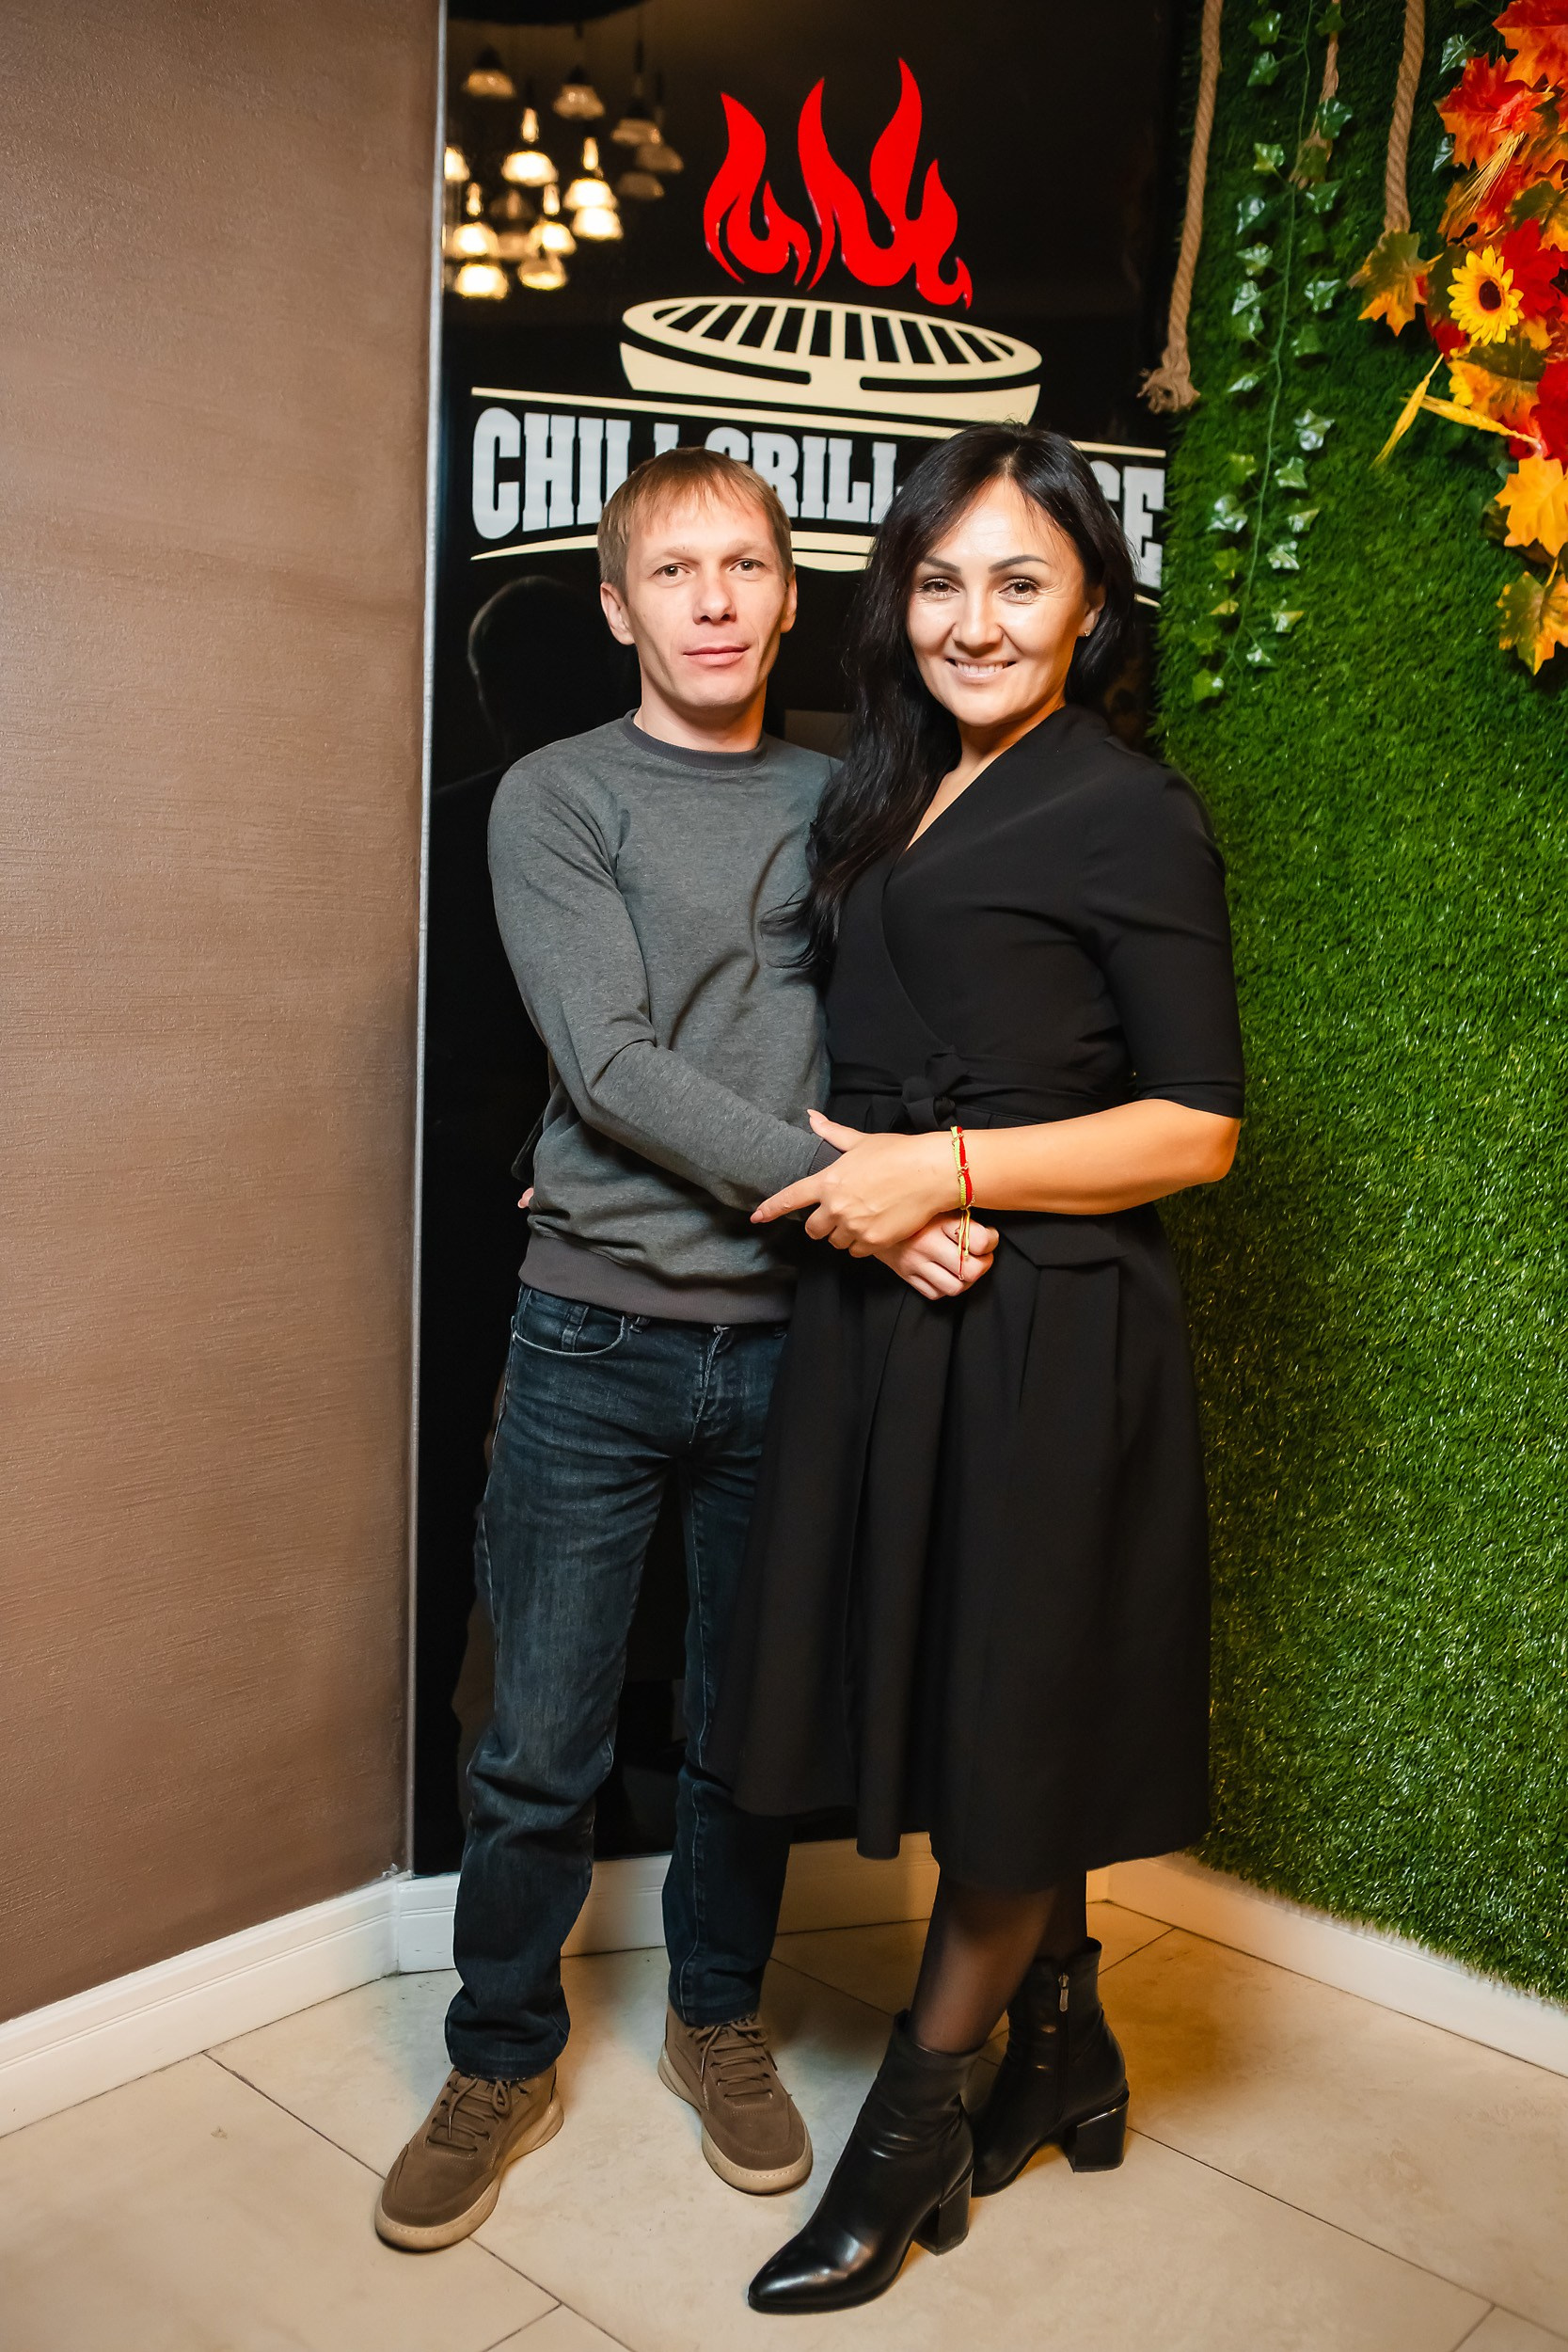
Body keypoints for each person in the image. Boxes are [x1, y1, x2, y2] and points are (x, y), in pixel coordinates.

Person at [376, 445, 996, 2253]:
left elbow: (916, 1030)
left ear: (791, 597)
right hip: (593, 1332)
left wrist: (937, 1171)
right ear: (618, 607)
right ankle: (499, 2055)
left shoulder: (860, 801)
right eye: (674, 571)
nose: (713, 601)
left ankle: (715, 2019)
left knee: (745, 1730)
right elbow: (613, 1065)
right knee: (539, 1742)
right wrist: (863, 1194)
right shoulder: (558, 796)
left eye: (745, 567)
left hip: (801, 1347)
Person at [710, 423, 1245, 2313]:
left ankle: (911, 2134)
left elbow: (1196, 1127)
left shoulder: (1128, 807)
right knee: (979, 1693)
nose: (974, 620)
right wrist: (858, 1181)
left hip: (1048, 1332)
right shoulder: (895, 790)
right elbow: (838, 1051)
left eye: (1021, 580)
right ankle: (1064, 2047)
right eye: (939, 582)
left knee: (1013, 1722)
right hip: (903, 1313)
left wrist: (941, 1171)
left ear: (1092, 602)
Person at [416, 576, 632, 1870]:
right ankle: (586, 1764)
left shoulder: (447, 823)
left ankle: (435, 1761)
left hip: (503, 1188)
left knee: (480, 1472)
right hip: (543, 1189)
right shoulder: (606, 818)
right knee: (585, 1479)